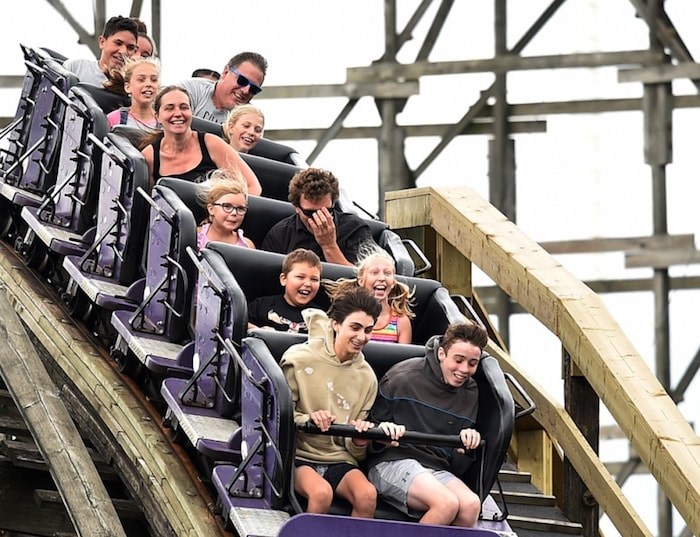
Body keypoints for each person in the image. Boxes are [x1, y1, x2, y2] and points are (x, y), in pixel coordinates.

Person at [279, 286, 400, 517]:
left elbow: (355, 453)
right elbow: (279, 414)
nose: (361, 337)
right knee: (321, 493)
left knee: (367, 495)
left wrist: (360, 440)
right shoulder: (298, 359)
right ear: (336, 324)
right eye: (355, 327)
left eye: (368, 330)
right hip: (298, 455)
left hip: (339, 459)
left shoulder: (367, 377)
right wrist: (309, 418)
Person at [366, 321, 488, 527]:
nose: (464, 370)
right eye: (458, 360)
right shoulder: (402, 377)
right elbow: (369, 437)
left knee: (471, 505)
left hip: (436, 467)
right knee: (446, 503)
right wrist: (384, 436)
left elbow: (457, 466)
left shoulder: (470, 392)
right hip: (392, 460)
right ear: (442, 353)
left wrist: (465, 448)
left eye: (472, 363)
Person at [139, 85, 261, 194]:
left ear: (191, 112)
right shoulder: (149, 156)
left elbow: (253, 186)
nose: (178, 113)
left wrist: (230, 212)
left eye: (184, 107)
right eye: (169, 108)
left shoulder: (211, 144)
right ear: (157, 116)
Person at [262, 168, 374, 266]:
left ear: (333, 204)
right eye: (310, 213)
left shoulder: (354, 228)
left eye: (326, 211)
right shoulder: (280, 235)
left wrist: (329, 245)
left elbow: (363, 280)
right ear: (296, 207)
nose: (318, 218)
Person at [325, 245, 414, 343]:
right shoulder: (348, 314)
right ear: (361, 281)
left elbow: (403, 354)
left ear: (393, 283)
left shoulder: (401, 321)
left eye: (387, 273)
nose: (382, 278)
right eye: (374, 273)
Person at [179, 51, 267, 124]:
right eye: (242, 81)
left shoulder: (249, 119)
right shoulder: (191, 89)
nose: (246, 91)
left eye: (254, 89)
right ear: (225, 72)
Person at [248, 249, 322, 333]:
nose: (308, 284)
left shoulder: (320, 317)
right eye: (300, 277)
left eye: (314, 279)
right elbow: (239, 323)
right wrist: (259, 331)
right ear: (284, 279)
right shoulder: (261, 305)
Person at [63, 16, 139, 86]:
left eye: (130, 48)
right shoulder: (75, 67)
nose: (123, 51)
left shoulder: (133, 87)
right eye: (118, 43)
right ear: (102, 42)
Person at [196, 169, 255, 250]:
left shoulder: (247, 245)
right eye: (227, 206)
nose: (234, 213)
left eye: (240, 208)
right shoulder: (196, 236)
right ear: (211, 209)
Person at [106, 57, 160, 131]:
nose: (148, 84)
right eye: (141, 80)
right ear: (128, 87)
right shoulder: (114, 119)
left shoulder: (164, 121)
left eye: (154, 80)